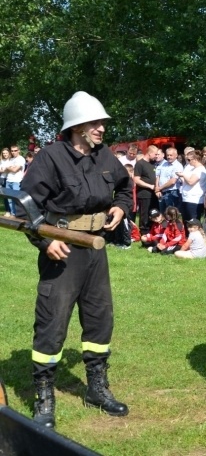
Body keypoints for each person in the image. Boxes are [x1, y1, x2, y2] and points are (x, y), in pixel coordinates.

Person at [20, 91, 131, 429]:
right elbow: (27, 206)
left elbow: (125, 188)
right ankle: (43, 396)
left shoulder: (104, 156)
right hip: (62, 249)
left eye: (101, 123)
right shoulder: (50, 158)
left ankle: (97, 387)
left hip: (95, 250)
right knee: (52, 323)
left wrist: (120, 206)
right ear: (78, 126)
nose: (101, 128)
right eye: (96, 123)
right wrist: (44, 241)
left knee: (100, 319)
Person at [177, 150, 206, 227]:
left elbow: (191, 182)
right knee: (186, 220)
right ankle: (188, 237)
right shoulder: (192, 169)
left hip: (194, 200)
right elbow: (187, 181)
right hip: (187, 198)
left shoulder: (200, 170)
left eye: (189, 160)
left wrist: (183, 175)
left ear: (196, 159)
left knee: (193, 222)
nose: (188, 161)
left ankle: (195, 237)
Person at [133, 145, 159, 230]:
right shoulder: (140, 164)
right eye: (155, 154)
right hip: (144, 194)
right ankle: (144, 232)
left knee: (154, 213)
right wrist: (150, 186)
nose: (156, 156)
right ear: (149, 153)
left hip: (154, 194)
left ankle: (152, 232)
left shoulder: (153, 164)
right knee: (144, 215)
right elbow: (136, 179)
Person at [155, 147, 183, 213]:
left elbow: (173, 181)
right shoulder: (163, 164)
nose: (169, 157)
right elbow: (158, 176)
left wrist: (159, 188)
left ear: (176, 155)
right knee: (162, 213)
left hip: (172, 193)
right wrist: (157, 189)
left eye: (171, 155)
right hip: (161, 192)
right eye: (168, 155)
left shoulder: (178, 166)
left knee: (170, 214)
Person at [3, 144, 25, 216]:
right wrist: (10, 168)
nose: (13, 152)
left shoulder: (21, 159)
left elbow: (15, 170)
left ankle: (18, 214)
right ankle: (13, 214)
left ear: (18, 150)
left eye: (15, 150)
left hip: (16, 181)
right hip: (8, 180)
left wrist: (9, 167)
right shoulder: (11, 159)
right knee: (9, 199)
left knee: (16, 199)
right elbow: (5, 169)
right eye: (12, 151)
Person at [0, 147, 11, 215]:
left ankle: (10, 211)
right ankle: (7, 210)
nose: (5, 154)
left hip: (8, 179)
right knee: (4, 196)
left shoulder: (11, 160)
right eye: (3, 153)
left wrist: (4, 169)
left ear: (8, 153)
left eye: (6, 153)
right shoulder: (1, 161)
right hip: (2, 178)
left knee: (9, 196)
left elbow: (8, 169)